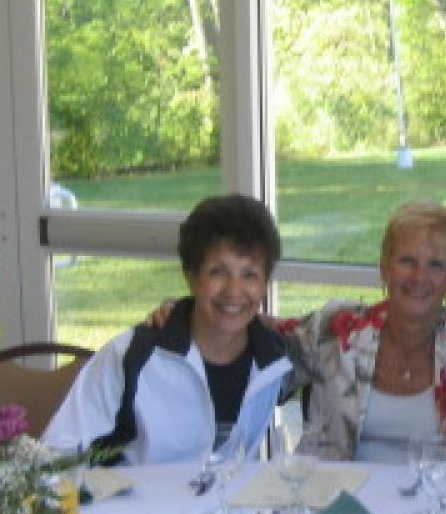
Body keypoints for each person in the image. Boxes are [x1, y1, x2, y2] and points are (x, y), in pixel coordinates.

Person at [279, 200, 446, 472]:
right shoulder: (335, 330)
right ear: (385, 268)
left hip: (445, 506)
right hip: (334, 502)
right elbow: (257, 348)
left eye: (436, 265)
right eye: (407, 261)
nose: (419, 277)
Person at [44, 195, 291, 465]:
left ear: (266, 283)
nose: (233, 291)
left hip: (228, 504)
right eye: (217, 272)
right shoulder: (133, 357)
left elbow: (331, 340)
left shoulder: (275, 359)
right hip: (132, 504)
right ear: (190, 276)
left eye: (249, 275)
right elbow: (55, 453)